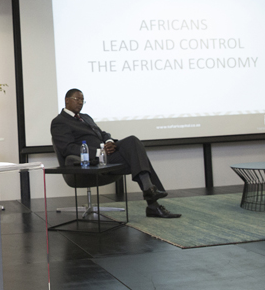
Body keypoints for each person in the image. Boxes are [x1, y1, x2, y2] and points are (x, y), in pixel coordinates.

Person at [51, 89, 181, 218]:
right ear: (67, 100)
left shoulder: (85, 117)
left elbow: (101, 133)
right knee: (136, 157)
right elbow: (68, 148)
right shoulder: (59, 121)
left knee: (133, 142)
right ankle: (152, 200)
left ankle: (150, 194)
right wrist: (99, 152)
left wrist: (109, 141)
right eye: (77, 99)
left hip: (106, 154)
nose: (80, 102)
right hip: (90, 161)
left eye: (82, 100)